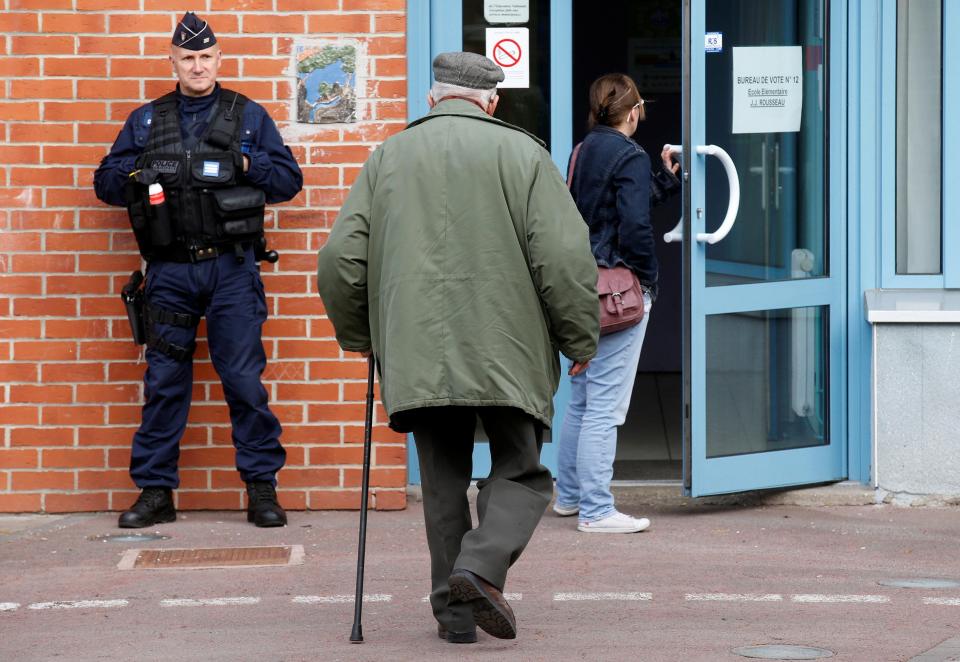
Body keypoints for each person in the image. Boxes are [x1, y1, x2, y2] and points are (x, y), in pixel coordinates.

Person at [317, 52, 599, 644]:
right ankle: (481, 567)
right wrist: (579, 335)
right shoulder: (523, 154)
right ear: (491, 103)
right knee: (520, 471)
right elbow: (565, 257)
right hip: (507, 344)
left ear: (432, 99)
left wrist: (364, 336)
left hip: (419, 350)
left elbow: (340, 260)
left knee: (442, 479)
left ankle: (456, 616)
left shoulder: (388, 157)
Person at [94, 12, 303, 529]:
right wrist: (144, 173)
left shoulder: (247, 116)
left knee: (243, 382)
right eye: (187, 58)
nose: (197, 66)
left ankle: (261, 490)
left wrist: (249, 165)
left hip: (231, 270)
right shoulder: (146, 121)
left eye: (205, 57)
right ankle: (155, 491)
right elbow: (105, 181)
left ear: (218, 59)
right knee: (164, 383)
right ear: (173, 61)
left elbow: (288, 181)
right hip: (168, 273)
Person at [554, 73, 680, 534]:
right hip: (616, 292)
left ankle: (569, 498)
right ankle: (597, 510)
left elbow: (603, 208)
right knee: (606, 406)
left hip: (584, 284)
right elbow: (633, 226)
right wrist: (646, 280)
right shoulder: (628, 153)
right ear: (633, 111)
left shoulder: (584, 149)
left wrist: (666, 181)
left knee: (584, 401)